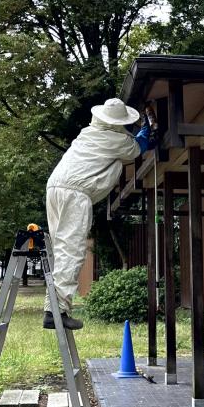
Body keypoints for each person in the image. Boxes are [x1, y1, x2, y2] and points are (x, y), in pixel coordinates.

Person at [43, 97, 155, 329]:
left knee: (62, 249)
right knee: (71, 251)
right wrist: (146, 129)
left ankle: (53, 307)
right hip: (75, 193)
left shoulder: (89, 133)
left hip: (55, 188)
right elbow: (137, 148)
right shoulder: (115, 139)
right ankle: (58, 312)